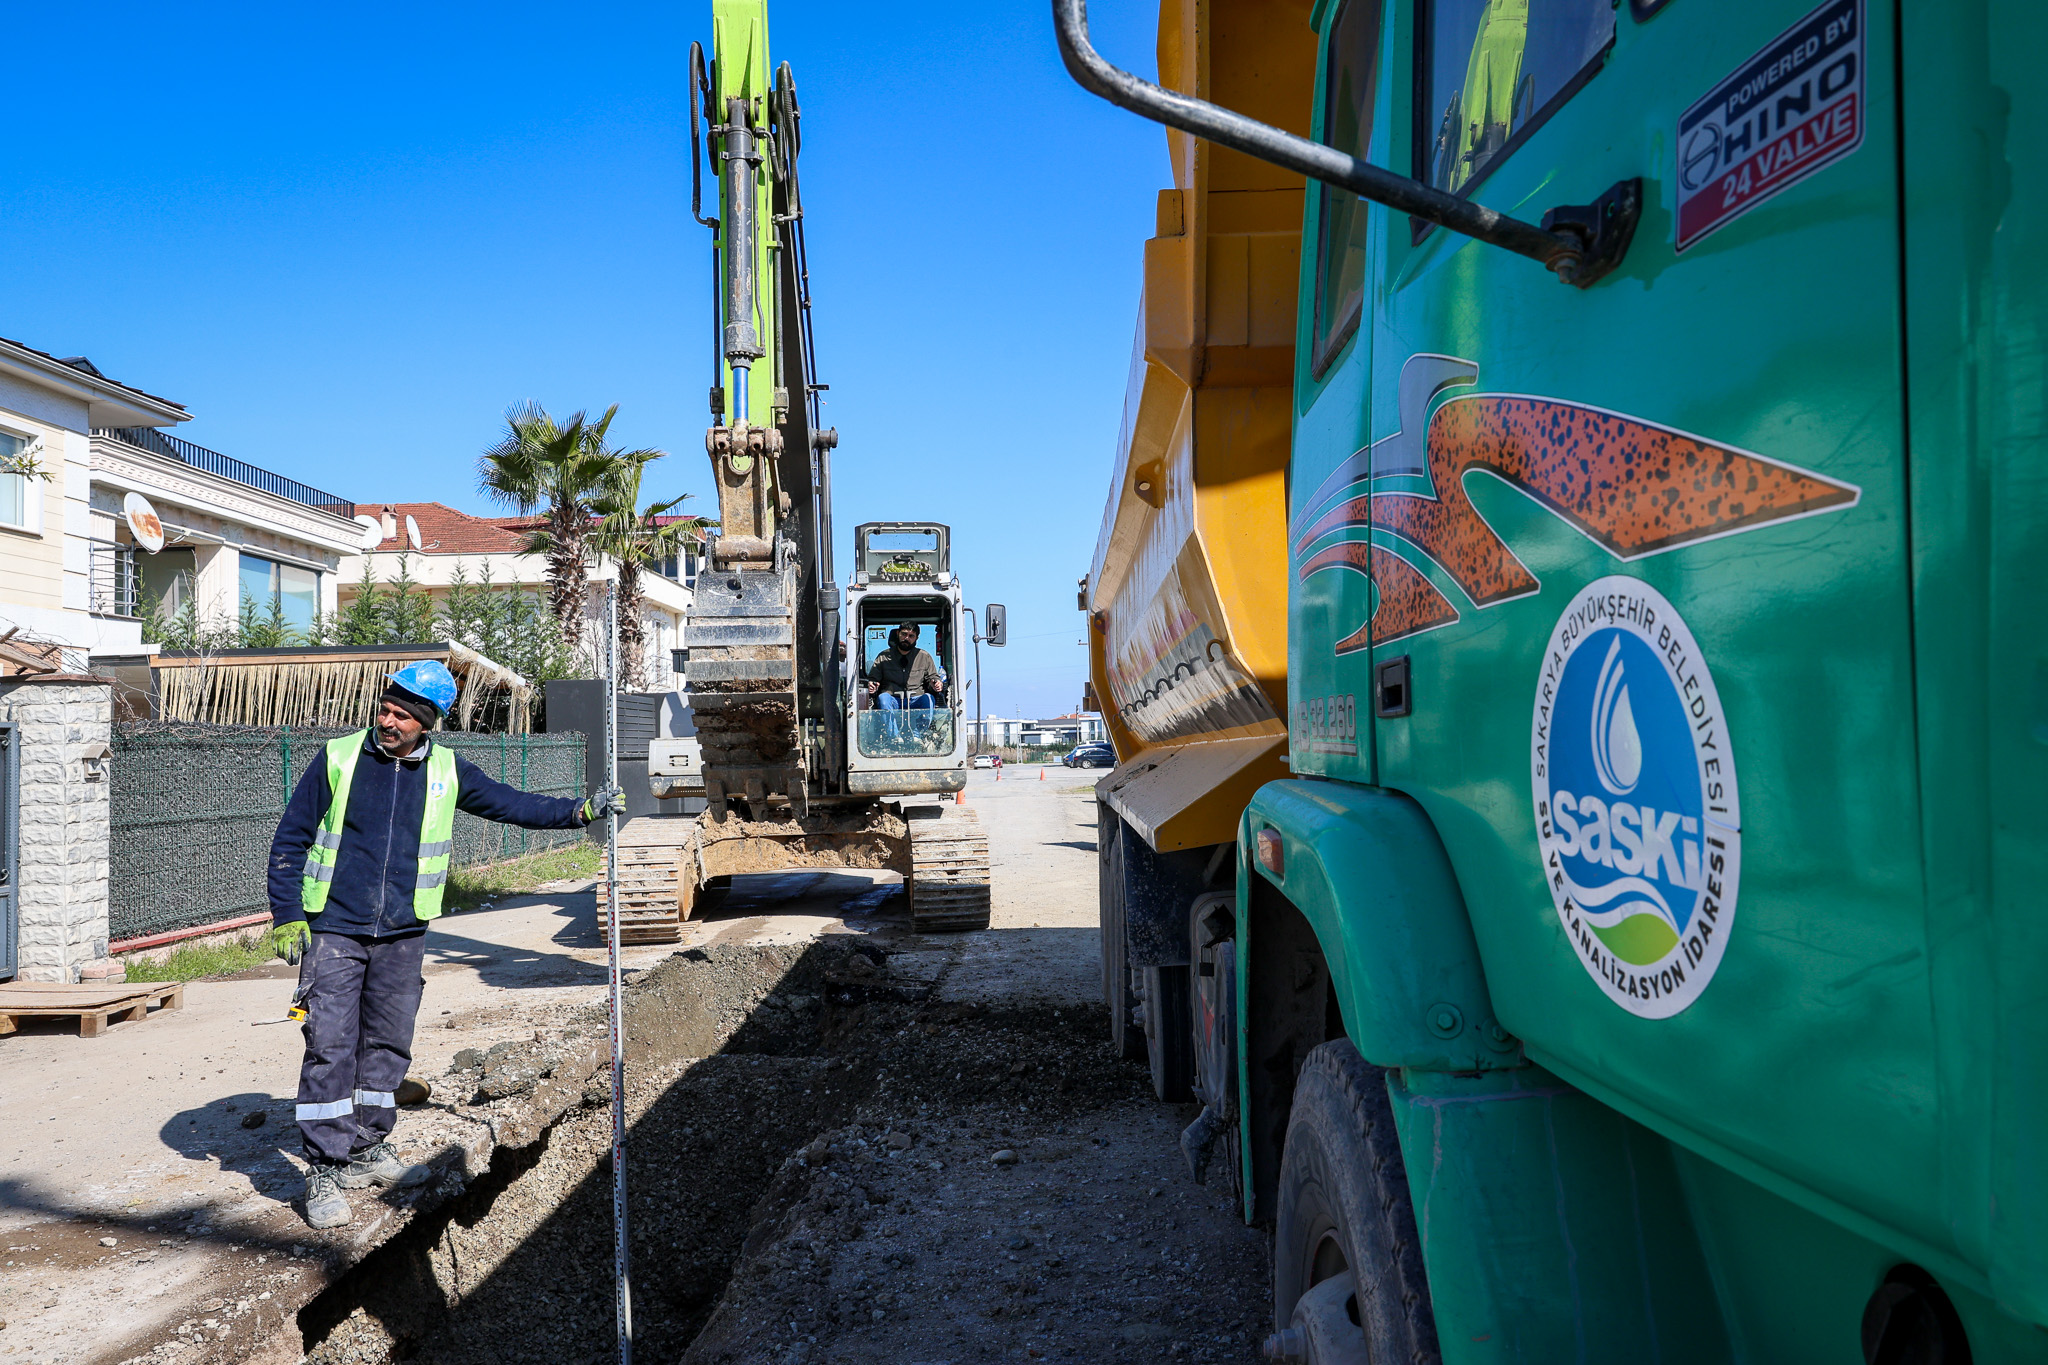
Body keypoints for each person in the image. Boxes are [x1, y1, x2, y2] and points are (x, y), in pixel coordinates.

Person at [266, 660, 625, 1230]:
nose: (388, 721)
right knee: (330, 1044)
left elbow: (514, 804)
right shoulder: (338, 759)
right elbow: (290, 838)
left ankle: (366, 1147)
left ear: (427, 722)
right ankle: (324, 1167)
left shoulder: (446, 771)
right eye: (384, 709)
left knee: (387, 1043)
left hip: (405, 932)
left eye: (402, 716)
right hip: (335, 927)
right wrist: (288, 916)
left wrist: (578, 811)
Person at [865, 623, 945, 737]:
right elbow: (873, 678)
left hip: (916, 699)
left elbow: (933, 677)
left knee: (928, 699)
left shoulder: (924, 657)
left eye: (911, 636)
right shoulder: (883, 657)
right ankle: (894, 738)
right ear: (898, 634)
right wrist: (872, 685)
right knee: (883, 698)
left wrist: (936, 683)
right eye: (904, 634)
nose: (906, 638)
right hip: (893, 699)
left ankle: (918, 737)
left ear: (916, 638)